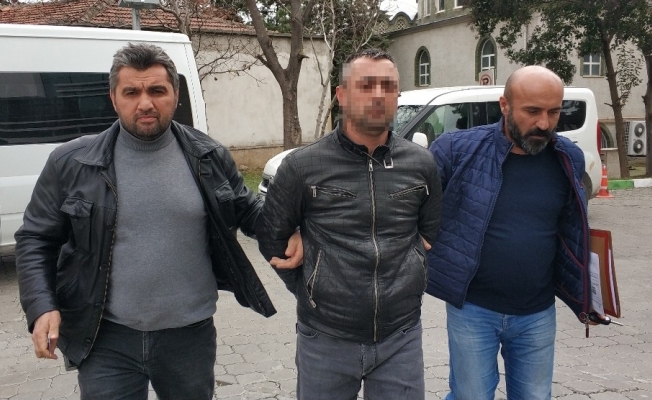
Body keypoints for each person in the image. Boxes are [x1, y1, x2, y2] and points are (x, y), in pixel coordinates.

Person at [14, 43, 301, 400]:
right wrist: (42, 306)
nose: (145, 103)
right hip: (106, 338)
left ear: (175, 96)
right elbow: (36, 239)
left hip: (189, 337)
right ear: (113, 98)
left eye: (157, 90)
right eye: (131, 92)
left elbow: (248, 210)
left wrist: (290, 228)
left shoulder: (208, 156)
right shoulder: (71, 163)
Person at [257, 48, 442, 400]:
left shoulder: (421, 164)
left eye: (388, 86)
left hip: (400, 336)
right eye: (366, 85)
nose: (378, 95)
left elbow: (429, 232)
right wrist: (313, 287)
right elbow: (271, 239)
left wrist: (410, 269)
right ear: (341, 95)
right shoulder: (302, 167)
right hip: (325, 338)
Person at [426, 65, 595, 400]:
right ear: (504, 105)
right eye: (532, 111)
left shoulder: (569, 158)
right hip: (472, 309)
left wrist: (590, 294)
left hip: (538, 313)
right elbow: (410, 205)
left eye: (554, 112)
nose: (544, 123)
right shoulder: (456, 151)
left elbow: (571, 232)